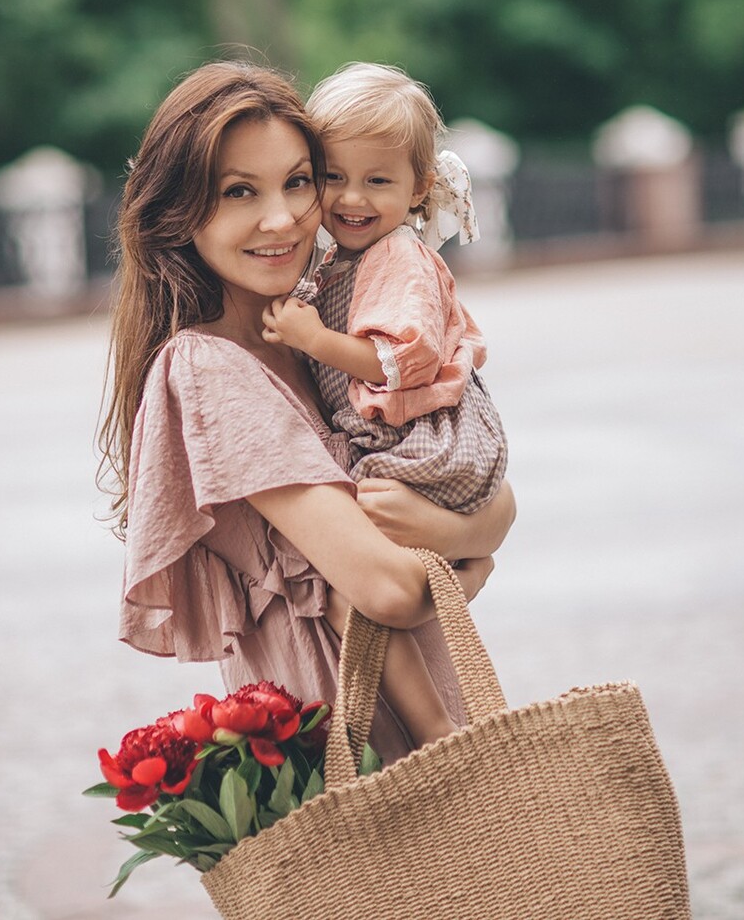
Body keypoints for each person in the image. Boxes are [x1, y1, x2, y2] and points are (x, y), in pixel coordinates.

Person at [98, 61, 516, 765]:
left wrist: (476, 524)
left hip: (438, 714)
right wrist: (474, 561)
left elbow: (480, 484)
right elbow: (388, 587)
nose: (283, 217)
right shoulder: (207, 368)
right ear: (181, 213)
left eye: (298, 180)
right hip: (353, 750)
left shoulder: (325, 332)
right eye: (239, 191)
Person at [260, 61, 508, 746]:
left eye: (378, 180)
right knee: (355, 577)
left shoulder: (398, 256)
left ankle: (436, 729)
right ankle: (464, 568)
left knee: (349, 590)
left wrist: (311, 337)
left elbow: (397, 362)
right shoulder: (342, 256)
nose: (351, 198)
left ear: (418, 188)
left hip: (422, 441)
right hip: (399, 439)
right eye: (334, 176)